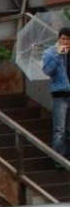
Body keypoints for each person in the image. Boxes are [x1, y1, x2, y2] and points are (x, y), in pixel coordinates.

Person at [42, 27, 70, 158]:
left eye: (68, 39)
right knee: (60, 128)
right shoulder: (50, 53)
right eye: (63, 38)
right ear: (58, 39)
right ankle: (58, 158)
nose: (65, 41)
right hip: (60, 94)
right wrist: (58, 55)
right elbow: (47, 71)